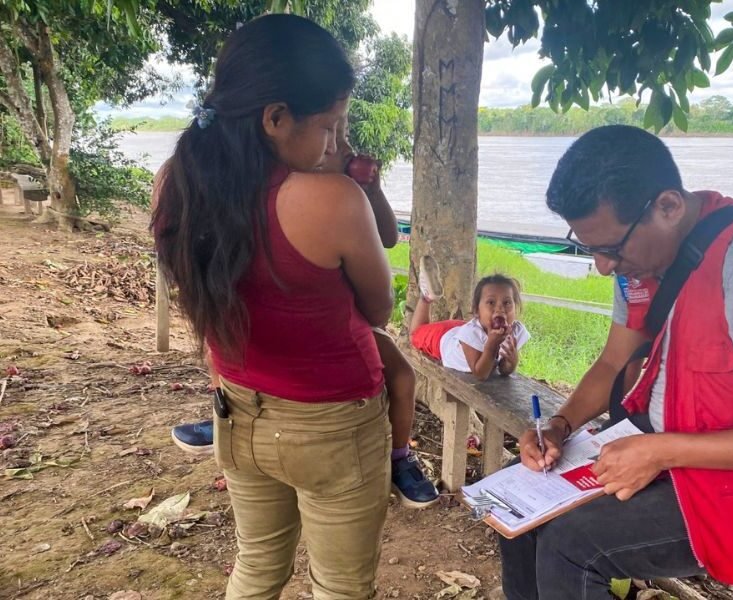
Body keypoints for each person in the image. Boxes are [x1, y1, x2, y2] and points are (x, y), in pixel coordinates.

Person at [499, 125, 733, 598]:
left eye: (611, 249)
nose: (603, 267)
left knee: (573, 545)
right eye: (589, 248)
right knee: (515, 518)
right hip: (664, 452)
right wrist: (559, 425)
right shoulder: (642, 260)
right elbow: (614, 361)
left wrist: (661, 452)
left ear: (668, 207)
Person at [152, 15, 396, 598]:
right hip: (333, 424)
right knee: (339, 585)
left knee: (257, 565)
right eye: (331, 126)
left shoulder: (173, 182)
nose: (336, 143)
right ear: (276, 118)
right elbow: (381, 309)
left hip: (238, 412)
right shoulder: (331, 199)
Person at [169, 135, 439, 509]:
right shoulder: (286, 194)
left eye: (345, 133)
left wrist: (371, 191)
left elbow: (390, 237)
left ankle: (398, 457)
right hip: (267, 324)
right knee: (224, 347)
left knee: (403, 375)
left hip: (342, 323)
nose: (345, 145)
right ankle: (218, 417)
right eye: (331, 134)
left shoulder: (346, 195)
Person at [408, 273, 530, 380]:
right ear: (477, 310)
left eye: (507, 302)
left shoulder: (516, 331)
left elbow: (503, 369)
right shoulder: (471, 333)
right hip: (443, 340)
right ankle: (426, 297)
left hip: (460, 328)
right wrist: (492, 344)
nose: (500, 309)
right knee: (415, 335)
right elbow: (480, 373)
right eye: (491, 302)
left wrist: (511, 363)